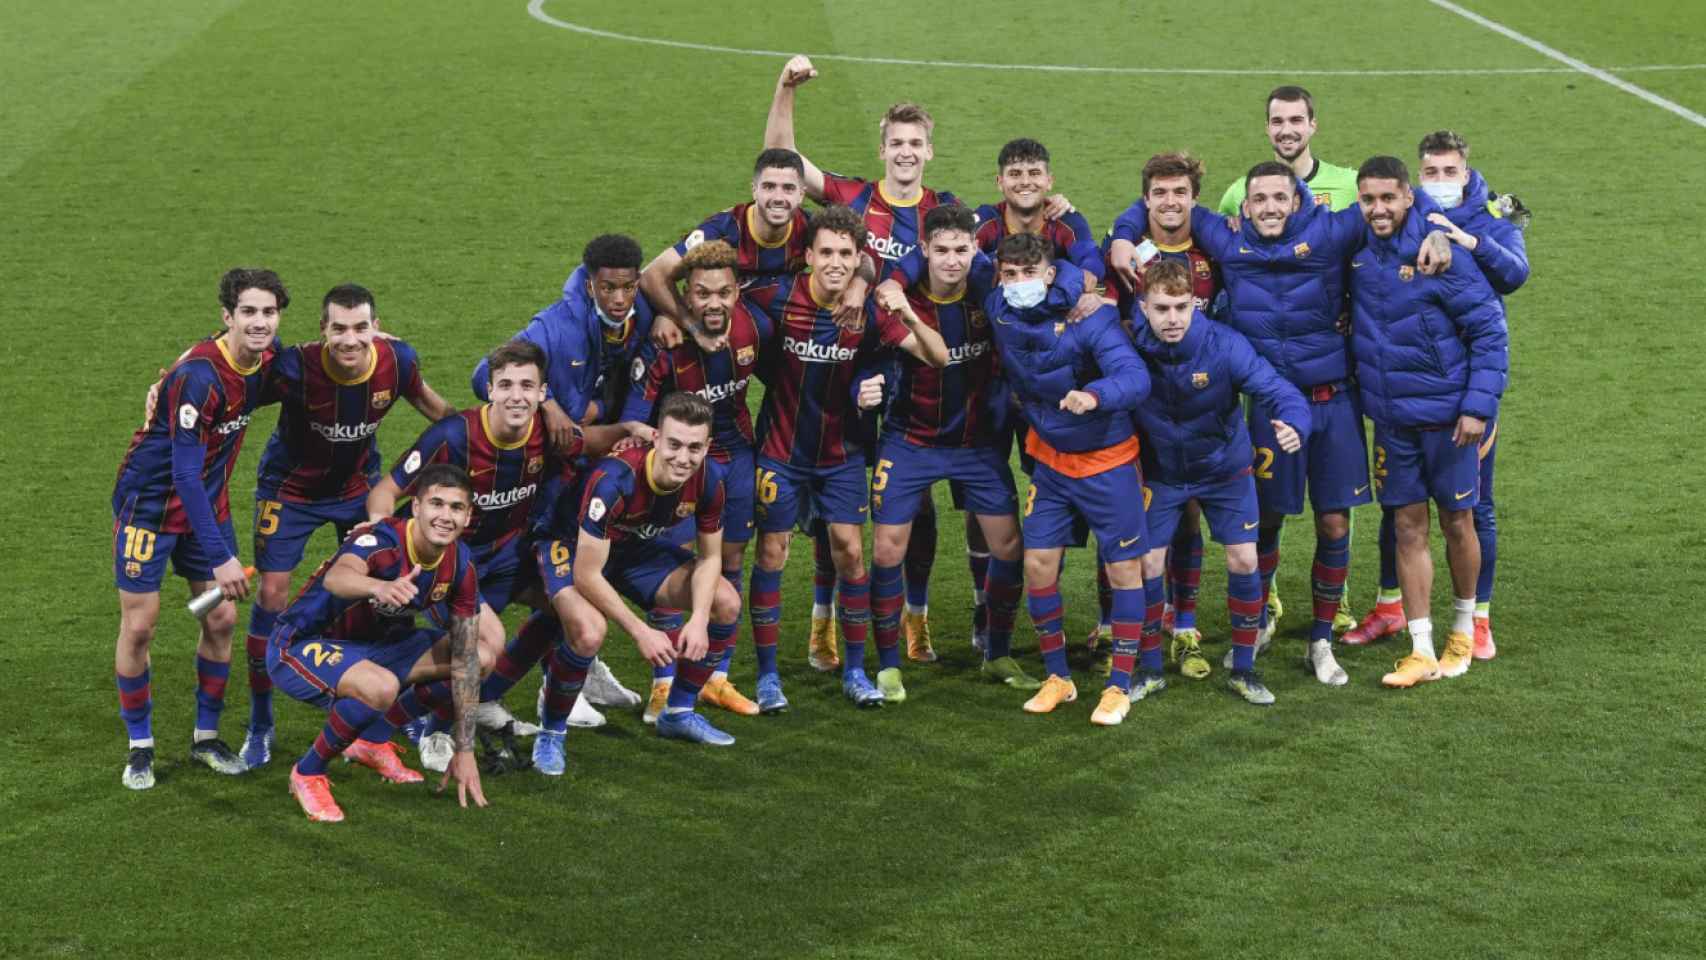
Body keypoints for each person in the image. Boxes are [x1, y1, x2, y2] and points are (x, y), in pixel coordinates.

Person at [367, 340, 629, 768]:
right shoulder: (454, 436)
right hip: (449, 561)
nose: (516, 395)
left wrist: (631, 431)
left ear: (544, 394)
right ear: (488, 389)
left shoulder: (548, 431)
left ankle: (485, 699)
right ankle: (430, 728)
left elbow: (591, 442)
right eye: (505, 385)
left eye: (528, 386)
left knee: (577, 616)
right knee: (485, 645)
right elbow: (386, 491)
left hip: (508, 555)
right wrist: (384, 540)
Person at [763, 53, 944, 665]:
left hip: (909, 371)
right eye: (897, 142)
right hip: (845, 364)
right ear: (883, 147)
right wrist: (785, 90)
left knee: (912, 501)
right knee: (832, 492)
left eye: (915, 143)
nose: (905, 152)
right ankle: (824, 623)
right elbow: (781, 165)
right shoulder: (851, 197)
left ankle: (916, 617)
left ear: (928, 152)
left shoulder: (942, 211)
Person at [238, 283, 453, 769]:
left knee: (384, 588)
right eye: (339, 328)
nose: (350, 339)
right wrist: (168, 389)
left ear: (376, 328)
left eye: (361, 328)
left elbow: (440, 414)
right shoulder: (293, 368)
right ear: (322, 331)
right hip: (289, 492)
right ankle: (260, 722)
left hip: (359, 488)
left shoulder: (398, 362)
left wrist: (478, 445)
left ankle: (382, 710)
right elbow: (229, 383)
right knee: (272, 596)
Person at [746, 205, 949, 707]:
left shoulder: (871, 315)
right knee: (772, 553)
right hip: (781, 451)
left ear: (860, 258)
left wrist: (904, 314)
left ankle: (856, 672)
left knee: (852, 553)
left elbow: (937, 356)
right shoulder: (775, 299)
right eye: (826, 253)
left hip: (842, 455)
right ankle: (768, 676)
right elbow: (722, 307)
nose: (834, 263)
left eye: (845, 254)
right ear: (808, 255)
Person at [1346, 131, 1529, 661]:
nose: (1378, 208)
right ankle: (1412, 633)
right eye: (1432, 172)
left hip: (1456, 407)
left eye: (1450, 172)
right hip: (1394, 412)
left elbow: (1498, 314)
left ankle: (1472, 624)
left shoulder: (1464, 237)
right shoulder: (1365, 245)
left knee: (1467, 516)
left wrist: (1478, 406)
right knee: (1404, 521)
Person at [468, 237, 657, 721]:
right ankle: (557, 679)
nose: (619, 298)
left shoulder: (641, 315)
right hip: (553, 473)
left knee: (591, 570)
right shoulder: (557, 325)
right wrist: (546, 401)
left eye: (628, 287)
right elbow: (481, 374)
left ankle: (581, 665)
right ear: (590, 282)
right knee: (566, 581)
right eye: (609, 287)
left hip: (598, 456)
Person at [111, 267, 286, 789]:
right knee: (140, 626)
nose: (259, 322)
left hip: (205, 506)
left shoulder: (264, 362)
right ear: (226, 316)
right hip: (152, 509)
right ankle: (140, 746)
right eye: (248, 312)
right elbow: (183, 473)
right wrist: (222, 557)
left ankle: (205, 738)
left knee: (222, 621)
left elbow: (317, 361)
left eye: (269, 312)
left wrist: (373, 339)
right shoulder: (201, 379)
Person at [863, 205, 1033, 694]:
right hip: (910, 439)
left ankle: (997, 654)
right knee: (887, 549)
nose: (952, 260)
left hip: (974, 444)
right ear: (925, 251)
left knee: (1009, 547)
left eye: (962, 250)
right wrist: (900, 291)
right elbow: (934, 355)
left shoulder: (989, 289)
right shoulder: (896, 303)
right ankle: (890, 663)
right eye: (941, 251)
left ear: (975, 250)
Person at [983, 234, 1151, 725]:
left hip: (1107, 460)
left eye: (1028, 273)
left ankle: (1119, 684)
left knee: (1124, 571)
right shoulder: (999, 307)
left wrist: (1094, 396)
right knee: (1037, 565)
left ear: (1051, 274)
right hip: (1051, 459)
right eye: (1009, 275)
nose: (1017, 284)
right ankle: (1059, 677)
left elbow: (1134, 378)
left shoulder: (1090, 314)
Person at [531, 393, 744, 769]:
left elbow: (711, 557)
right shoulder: (614, 479)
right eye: (674, 444)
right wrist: (640, 631)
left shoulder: (710, 478)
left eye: (695, 448)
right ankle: (551, 733)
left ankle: (677, 713)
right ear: (656, 438)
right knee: (589, 631)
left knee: (725, 602)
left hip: (632, 549)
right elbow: (587, 573)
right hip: (569, 545)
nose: (683, 457)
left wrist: (698, 620)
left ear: (707, 446)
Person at [1131, 260, 1311, 704]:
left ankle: (1244, 670)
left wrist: (1296, 424)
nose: (1172, 319)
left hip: (1224, 470)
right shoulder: (1129, 344)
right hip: (1164, 475)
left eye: (1180, 307)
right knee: (1148, 565)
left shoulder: (1224, 346)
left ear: (1194, 304)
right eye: (1161, 309)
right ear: (1144, 308)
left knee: (1245, 561)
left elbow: (1279, 389)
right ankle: (1150, 669)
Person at [267, 464, 490, 821]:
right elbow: (338, 578)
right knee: (381, 686)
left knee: (479, 658)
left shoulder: (460, 564)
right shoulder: (380, 539)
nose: (445, 516)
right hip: (300, 643)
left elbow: (464, 657)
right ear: (416, 507)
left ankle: (371, 741)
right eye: (436, 504)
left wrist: (464, 750)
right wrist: (379, 586)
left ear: (468, 515)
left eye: (456, 507)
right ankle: (307, 772)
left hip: (379, 647)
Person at [620, 240, 775, 714]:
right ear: (686, 295)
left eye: (723, 293)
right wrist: (666, 452)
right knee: (678, 562)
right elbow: (632, 417)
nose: (714, 303)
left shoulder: (757, 326)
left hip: (736, 455)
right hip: (683, 466)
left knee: (729, 561)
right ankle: (665, 681)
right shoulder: (665, 342)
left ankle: (715, 678)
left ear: (737, 292)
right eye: (703, 293)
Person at [1100, 151, 1223, 674]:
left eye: (1180, 192)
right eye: (1159, 193)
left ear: (1194, 197)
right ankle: (1115, 626)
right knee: (1121, 511)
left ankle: (1184, 625)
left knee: (1189, 510)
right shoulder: (1121, 251)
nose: (1170, 202)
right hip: (1138, 405)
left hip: (1198, 401)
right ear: (1145, 198)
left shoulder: (1215, 247)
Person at [1217, 84, 1361, 215]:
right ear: (1267, 128)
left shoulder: (1352, 186)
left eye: (1296, 120)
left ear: (1312, 125)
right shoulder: (1240, 191)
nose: (1286, 130)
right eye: (1277, 122)